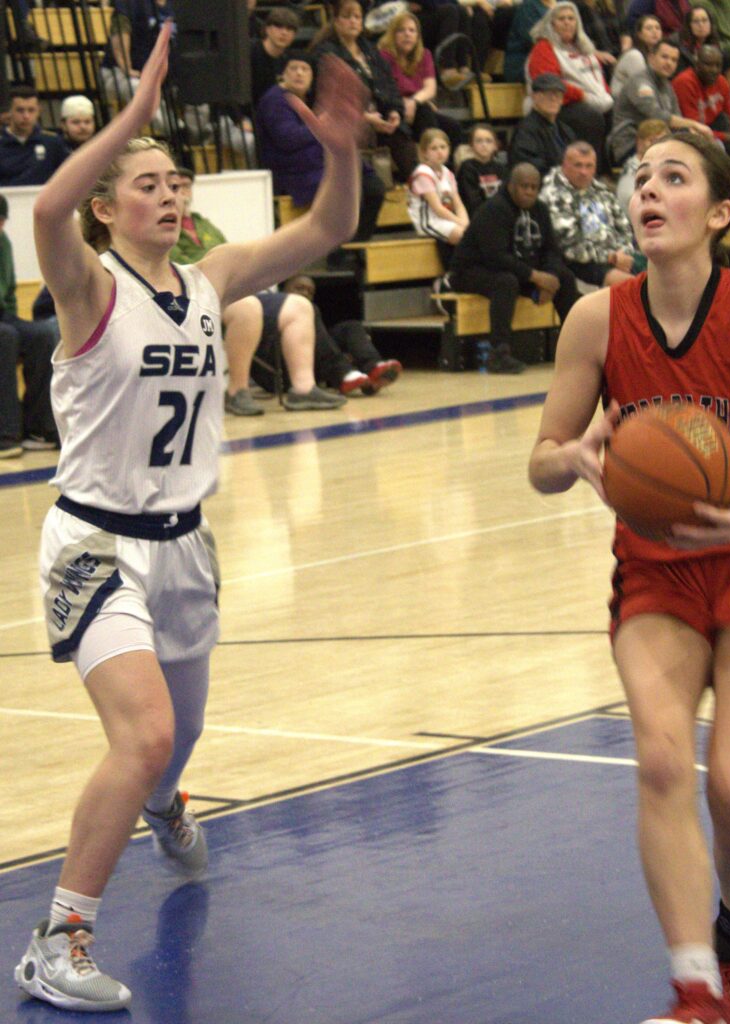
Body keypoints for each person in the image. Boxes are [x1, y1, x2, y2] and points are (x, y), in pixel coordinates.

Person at [12, 22, 365, 1012]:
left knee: (176, 738)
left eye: (177, 182)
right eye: (148, 181)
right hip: (93, 543)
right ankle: (60, 936)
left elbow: (324, 232)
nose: (168, 195)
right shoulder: (86, 285)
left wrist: (340, 153)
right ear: (108, 203)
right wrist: (131, 112)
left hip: (184, 545)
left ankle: (166, 802)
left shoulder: (209, 284)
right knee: (141, 735)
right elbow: (45, 205)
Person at [528, 129, 730, 1024]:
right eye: (639, 180)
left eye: (673, 178)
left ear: (718, 211)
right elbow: (542, 462)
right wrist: (577, 459)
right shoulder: (597, 318)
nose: (649, 192)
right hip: (656, 572)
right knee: (661, 761)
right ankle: (697, 988)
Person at [168, 167, 347, 413]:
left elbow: (232, 258)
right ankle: (237, 390)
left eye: (186, 186)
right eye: (175, 187)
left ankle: (303, 389)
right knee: (247, 307)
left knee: (298, 305)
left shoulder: (203, 224)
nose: (182, 193)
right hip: (198, 297)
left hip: (235, 289)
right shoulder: (163, 230)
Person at [448, 162, 580, 374]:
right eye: (524, 186)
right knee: (505, 282)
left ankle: (578, 347)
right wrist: (535, 276)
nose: (529, 192)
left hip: (518, 269)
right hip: (471, 271)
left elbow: (552, 250)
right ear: (511, 185)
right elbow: (495, 257)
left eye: (534, 187)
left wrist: (550, 279)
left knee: (565, 277)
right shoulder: (493, 209)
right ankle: (498, 353)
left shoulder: (540, 209)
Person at [256, 50, 386, 242]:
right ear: (283, 73)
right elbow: (287, 139)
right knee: (347, 193)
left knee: (375, 187)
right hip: (294, 170)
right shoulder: (275, 99)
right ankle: (340, 251)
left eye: (305, 69)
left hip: (320, 164)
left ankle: (356, 246)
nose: (299, 73)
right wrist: (322, 125)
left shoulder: (310, 97)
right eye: (293, 68)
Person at [313, 0, 417, 181]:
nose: (353, 22)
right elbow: (332, 99)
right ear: (336, 21)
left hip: (379, 117)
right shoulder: (326, 53)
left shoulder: (370, 50)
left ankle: (418, 192)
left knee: (401, 136)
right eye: (347, 17)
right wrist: (364, 117)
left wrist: (394, 111)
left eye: (357, 17)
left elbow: (389, 84)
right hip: (347, 122)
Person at [0, 193, 59, 457]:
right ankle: (6, 434)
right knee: (6, 337)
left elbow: (9, 292)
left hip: (3, 315)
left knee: (43, 334)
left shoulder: (3, 242)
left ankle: (37, 427)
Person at [525, 2, 613, 172]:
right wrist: (582, 95)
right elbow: (548, 82)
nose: (567, 22)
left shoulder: (584, 47)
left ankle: (607, 168)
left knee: (612, 114)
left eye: (571, 18)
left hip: (588, 99)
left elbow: (597, 78)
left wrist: (605, 95)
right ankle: (590, 172)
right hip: (559, 103)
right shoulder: (543, 48)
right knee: (590, 118)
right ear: (552, 24)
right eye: (561, 19)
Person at [282, 274, 402, 396]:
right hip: (287, 369)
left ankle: (373, 370)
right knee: (310, 313)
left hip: (314, 363)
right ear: (283, 291)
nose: (305, 293)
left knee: (350, 327)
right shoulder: (272, 310)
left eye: (310, 292)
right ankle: (345, 373)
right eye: (299, 288)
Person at [539, 141, 636, 287]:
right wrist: (612, 257)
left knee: (662, 273)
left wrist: (624, 252)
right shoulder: (553, 194)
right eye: (578, 165)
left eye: (589, 166)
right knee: (632, 286)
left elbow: (624, 227)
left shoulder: (600, 190)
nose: (584, 172)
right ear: (564, 165)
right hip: (578, 263)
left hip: (616, 256)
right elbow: (570, 247)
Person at [608, 38, 712, 165]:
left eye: (674, 60)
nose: (669, 63)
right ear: (651, 57)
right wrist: (695, 125)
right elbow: (658, 116)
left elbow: (677, 119)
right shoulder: (640, 81)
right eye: (664, 57)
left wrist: (693, 132)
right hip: (630, 145)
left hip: (659, 141)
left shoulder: (667, 85)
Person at [378, 11, 463, 153]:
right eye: (401, 30)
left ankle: (449, 171)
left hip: (416, 107)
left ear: (418, 35)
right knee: (425, 111)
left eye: (412, 30)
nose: (407, 34)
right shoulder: (384, 55)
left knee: (453, 127)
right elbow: (387, 89)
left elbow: (430, 89)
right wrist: (415, 102)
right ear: (392, 34)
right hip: (393, 110)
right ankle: (431, 167)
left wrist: (414, 101)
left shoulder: (424, 54)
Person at [672, 45, 730, 176]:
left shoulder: (722, 82)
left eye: (718, 65)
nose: (714, 70)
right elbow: (693, 129)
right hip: (691, 134)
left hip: (715, 130)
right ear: (697, 63)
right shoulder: (684, 82)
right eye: (708, 64)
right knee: (724, 145)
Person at [407, 129, 469, 245]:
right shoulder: (423, 173)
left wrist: (465, 223)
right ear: (424, 152)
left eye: (443, 147)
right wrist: (460, 223)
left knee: (473, 234)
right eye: (434, 148)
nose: (440, 152)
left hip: (446, 220)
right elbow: (438, 209)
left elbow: (458, 204)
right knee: (463, 236)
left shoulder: (448, 173)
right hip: (428, 222)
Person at [508, 72, 577, 175]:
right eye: (548, 94)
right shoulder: (526, 130)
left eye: (558, 95)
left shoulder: (566, 130)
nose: (553, 99)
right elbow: (528, 166)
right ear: (534, 97)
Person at [0, 85, 67, 186]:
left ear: (39, 111)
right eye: (20, 110)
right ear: (9, 111)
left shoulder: (53, 142)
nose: (26, 116)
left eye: (31, 110)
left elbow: (65, 178)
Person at [615, 117, 670, 210]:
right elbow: (628, 201)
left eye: (662, 141)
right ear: (639, 143)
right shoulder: (631, 171)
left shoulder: (663, 168)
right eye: (652, 140)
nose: (657, 145)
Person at [249, 6, 300, 107]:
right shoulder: (249, 53)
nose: (284, 33)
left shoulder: (289, 61)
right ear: (267, 29)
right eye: (278, 26)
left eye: (289, 29)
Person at [456, 123, 506, 215]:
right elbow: (471, 200)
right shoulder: (466, 168)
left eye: (488, 141)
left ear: (496, 145)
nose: (484, 145)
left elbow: (505, 196)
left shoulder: (501, 168)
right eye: (479, 141)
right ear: (471, 145)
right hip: (476, 216)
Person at [611, 14, 663, 100]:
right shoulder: (634, 55)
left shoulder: (657, 55)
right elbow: (643, 87)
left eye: (657, 28)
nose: (655, 31)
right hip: (624, 105)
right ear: (639, 34)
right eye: (649, 28)